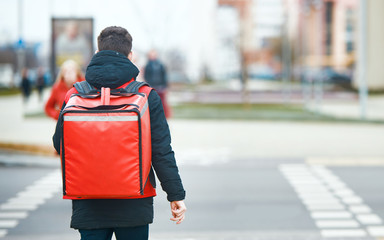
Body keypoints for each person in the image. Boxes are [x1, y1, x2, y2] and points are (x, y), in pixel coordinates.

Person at [52, 26, 186, 240]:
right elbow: (161, 151)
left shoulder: (75, 95)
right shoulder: (147, 96)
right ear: (130, 56)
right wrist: (175, 195)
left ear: (97, 54)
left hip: (88, 203)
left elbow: (60, 144)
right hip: (134, 203)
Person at [144, 50, 171, 118]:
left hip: (161, 87)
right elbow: (146, 76)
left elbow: (164, 75)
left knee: (162, 102)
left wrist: (165, 86)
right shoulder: (147, 66)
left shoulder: (161, 65)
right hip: (152, 86)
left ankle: (164, 116)